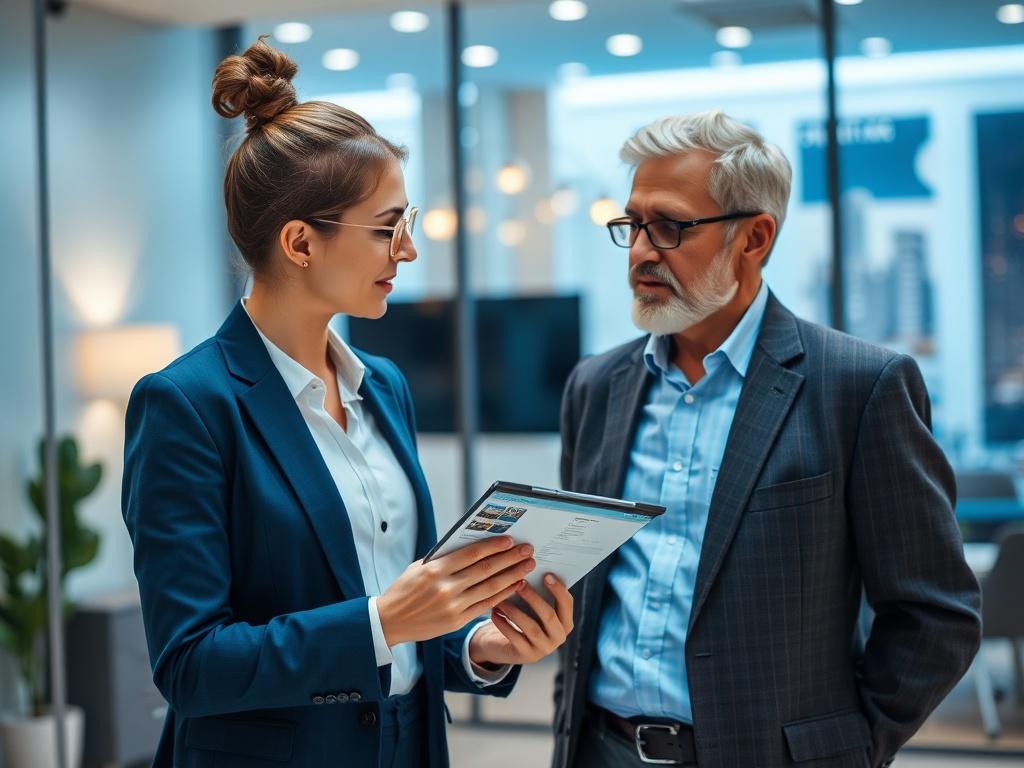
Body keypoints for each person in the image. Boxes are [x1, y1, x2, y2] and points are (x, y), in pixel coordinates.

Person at [121, 38, 573, 768]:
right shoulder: (187, 405)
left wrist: (478, 644)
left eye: (408, 221)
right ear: (301, 242)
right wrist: (381, 621)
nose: (407, 251)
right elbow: (190, 664)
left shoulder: (384, 386)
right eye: (386, 227)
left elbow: (399, 606)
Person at [552, 110, 981, 768]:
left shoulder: (858, 387)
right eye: (631, 225)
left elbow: (936, 612)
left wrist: (851, 747)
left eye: (667, 227)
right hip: (599, 749)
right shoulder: (596, 386)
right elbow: (584, 594)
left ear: (753, 238)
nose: (640, 251)